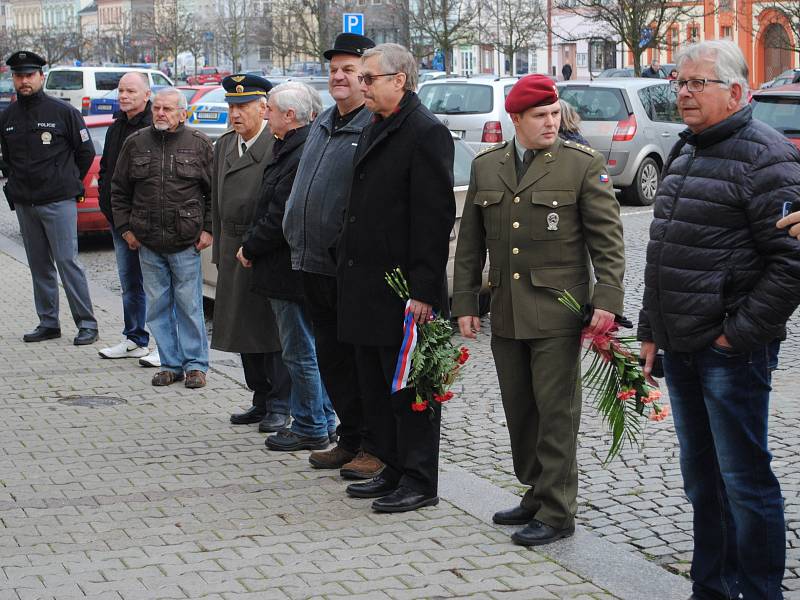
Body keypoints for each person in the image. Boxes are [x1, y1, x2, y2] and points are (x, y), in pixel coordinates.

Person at [638, 40, 800, 600]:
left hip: (729, 351)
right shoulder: (686, 150)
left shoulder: (766, 155)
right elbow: (663, 252)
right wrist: (651, 329)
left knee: (745, 482)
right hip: (682, 347)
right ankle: (711, 587)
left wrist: (737, 334)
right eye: (678, 82)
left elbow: (791, 263)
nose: (683, 92)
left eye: (695, 83)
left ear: (735, 92)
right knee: (702, 482)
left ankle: (758, 592)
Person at [452, 74, 625, 546]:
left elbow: (608, 240)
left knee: (555, 412)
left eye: (554, 114)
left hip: (558, 309)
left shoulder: (580, 165)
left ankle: (557, 509)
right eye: (540, 116)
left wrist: (606, 299)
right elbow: (470, 243)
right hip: (506, 308)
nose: (552, 123)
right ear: (516, 119)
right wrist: (466, 300)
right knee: (520, 410)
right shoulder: (489, 167)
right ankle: (535, 489)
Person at [339, 43, 455, 513]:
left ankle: (419, 479)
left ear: (399, 81)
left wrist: (425, 290)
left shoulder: (425, 133)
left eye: (369, 78)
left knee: (412, 390)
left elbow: (433, 219)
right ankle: (392, 465)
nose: (360, 86)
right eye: (361, 78)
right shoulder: (376, 125)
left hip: (406, 293)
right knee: (377, 385)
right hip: (368, 286)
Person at [283, 32, 385, 479]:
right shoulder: (324, 121)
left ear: (368, 78)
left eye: (350, 69)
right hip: (310, 265)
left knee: (361, 364)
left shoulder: (373, 126)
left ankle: (372, 444)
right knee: (333, 362)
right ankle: (349, 437)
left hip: (349, 269)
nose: (339, 76)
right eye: (335, 69)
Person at [237, 82, 336, 451]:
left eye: (271, 110)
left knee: (299, 351)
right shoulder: (293, 145)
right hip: (291, 266)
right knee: (307, 348)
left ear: (290, 115)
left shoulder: (299, 151)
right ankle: (323, 420)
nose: (266, 115)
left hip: (288, 268)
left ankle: (311, 424)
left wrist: (250, 246)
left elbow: (281, 212)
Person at [111, 88, 213, 389]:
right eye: (157, 108)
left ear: (183, 113)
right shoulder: (136, 143)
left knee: (190, 306)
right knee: (157, 306)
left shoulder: (199, 144)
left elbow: (213, 193)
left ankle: (196, 365)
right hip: (147, 242)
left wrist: (208, 229)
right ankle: (170, 364)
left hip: (186, 241)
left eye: (168, 109)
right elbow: (118, 191)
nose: (160, 113)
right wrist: (126, 230)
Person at [211, 73, 292, 432]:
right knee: (239, 326)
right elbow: (215, 201)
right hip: (231, 247)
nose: (235, 114)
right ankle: (259, 397)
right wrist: (217, 248)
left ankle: (280, 401)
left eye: (243, 106)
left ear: (264, 107)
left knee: (269, 330)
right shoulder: (224, 146)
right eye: (231, 106)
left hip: (262, 246)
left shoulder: (275, 147)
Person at [0, 50, 99, 346]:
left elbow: (86, 153)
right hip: (26, 203)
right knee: (39, 265)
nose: (24, 81)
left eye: (29, 75)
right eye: (19, 76)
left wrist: (66, 182)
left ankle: (87, 324)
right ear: (13, 79)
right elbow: (6, 158)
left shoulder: (63, 112)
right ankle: (48, 322)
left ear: (41, 76)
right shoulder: (7, 117)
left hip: (58, 200)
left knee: (68, 263)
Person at [97, 72, 160, 366]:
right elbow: (107, 170)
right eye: (121, 90)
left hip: (148, 222)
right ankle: (135, 338)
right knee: (130, 283)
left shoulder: (154, 126)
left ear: (146, 95)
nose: (123, 96)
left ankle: (166, 346)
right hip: (119, 221)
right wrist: (107, 207)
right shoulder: (116, 127)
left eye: (131, 91)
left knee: (158, 285)